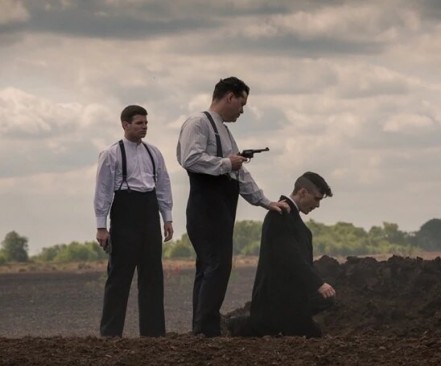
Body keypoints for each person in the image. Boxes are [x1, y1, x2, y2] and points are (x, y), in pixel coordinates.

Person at [176, 77, 290, 337]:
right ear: (229, 97)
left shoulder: (225, 132)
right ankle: (206, 329)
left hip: (221, 208)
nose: (242, 110)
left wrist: (265, 201)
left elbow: (241, 174)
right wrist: (227, 163)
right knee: (216, 265)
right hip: (206, 207)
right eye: (242, 103)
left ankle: (202, 328)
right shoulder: (198, 123)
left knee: (211, 266)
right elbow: (190, 159)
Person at [94, 105, 173, 337]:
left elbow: (163, 185)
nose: (144, 127)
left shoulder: (154, 153)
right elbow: (103, 191)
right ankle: (110, 333)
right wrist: (101, 226)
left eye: (146, 123)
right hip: (125, 213)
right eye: (139, 123)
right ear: (125, 124)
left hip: (149, 213)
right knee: (119, 276)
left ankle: (153, 333)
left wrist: (167, 218)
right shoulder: (111, 154)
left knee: (152, 275)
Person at [232, 172, 336, 338]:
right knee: (308, 333)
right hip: (276, 298)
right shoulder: (279, 215)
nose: (317, 205)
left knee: (326, 301)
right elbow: (291, 256)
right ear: (303, 192)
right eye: (316, 199)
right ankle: (242, 325)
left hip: (291, 296)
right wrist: (318, 284)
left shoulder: (293, 219)